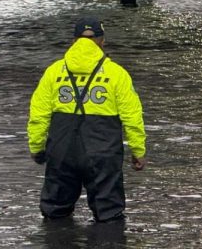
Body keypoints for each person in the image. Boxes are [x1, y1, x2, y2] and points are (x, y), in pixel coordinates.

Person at [27, 17, 146, 222]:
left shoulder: (54, 72)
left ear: (74, 41)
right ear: (102, 41)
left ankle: (57, 237)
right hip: (103, 152)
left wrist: (36, 147)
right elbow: (132, 117)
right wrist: (138, 150)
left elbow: (38, 115)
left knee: (54, 213)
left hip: (62, 152)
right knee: (109, 215)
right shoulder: (117, 74)